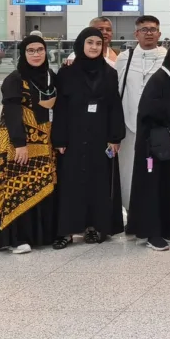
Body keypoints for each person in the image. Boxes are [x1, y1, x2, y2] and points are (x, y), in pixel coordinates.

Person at [53, 28, 125, 247]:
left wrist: (115, 137)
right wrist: (60, 139)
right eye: (90, 42)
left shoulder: (110, 73)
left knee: (98, 183)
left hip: (100, 136)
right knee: (70, 184)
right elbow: (60, 109)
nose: (94, 47)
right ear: (81, 45)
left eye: (98, 43)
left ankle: (94, 227)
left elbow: (114, 106)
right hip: (73, 136)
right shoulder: (66, 73)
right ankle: (66, 230)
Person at [0, 35, 58, 253]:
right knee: (15, 188)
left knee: (39, 185)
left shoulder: (50, 76)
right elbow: (12, 112)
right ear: (23, 54)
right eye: (30, 50)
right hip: (17, 143)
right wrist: (20, 144)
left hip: (44, 142)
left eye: (40, 50)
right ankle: (15, 239)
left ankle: (39, 236)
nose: (36, 54)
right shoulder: (14, 79)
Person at [126, 46, 170, 251]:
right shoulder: (159, 79)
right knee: (151, 188)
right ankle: (151, 233)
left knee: (167, 186)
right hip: (151, 147)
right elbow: (147, 108)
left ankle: (166, 228)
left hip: (168, 146)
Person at [115, 15, 167, 212]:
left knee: (156, 173)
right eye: (144, 30)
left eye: (153, 29)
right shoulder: (124, 58)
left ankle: (156, 214)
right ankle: (131, 213)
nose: (149, 33)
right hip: (129, 126)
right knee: (128, 172)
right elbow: (116, 89)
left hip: (157, 127)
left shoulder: (167, 57)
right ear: (136, 34)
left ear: (159, 33)